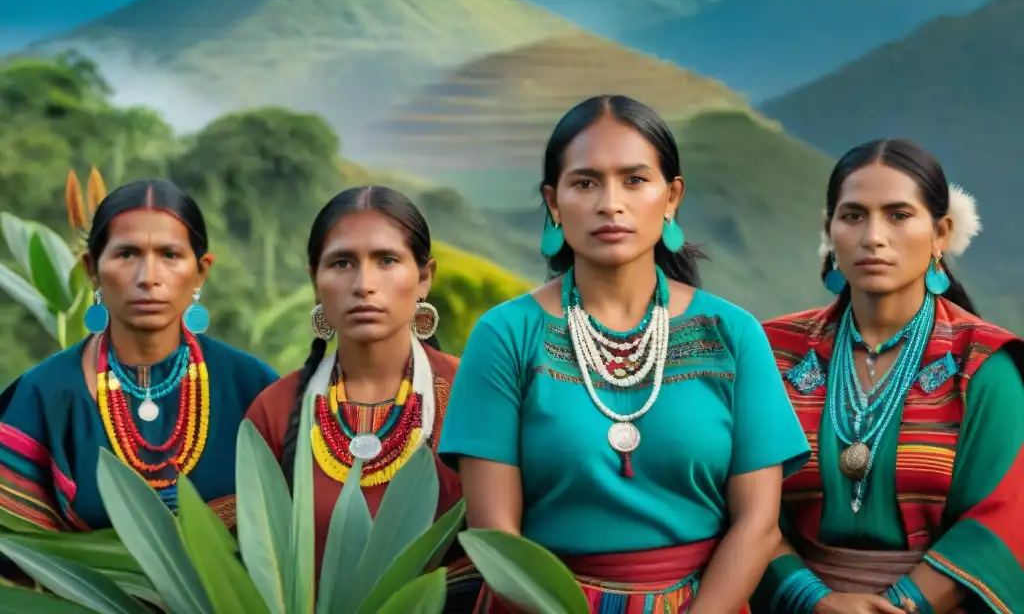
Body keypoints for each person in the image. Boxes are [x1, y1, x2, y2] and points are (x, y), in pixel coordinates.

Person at [439, 95, 811, 613]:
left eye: (635, 180)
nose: (609, 203)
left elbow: (757, 523)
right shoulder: (505, 335)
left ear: (672, 196)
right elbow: (496, 533)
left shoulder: (732, 334)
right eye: (585, 182)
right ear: (553, 201)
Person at [754, 138, 1024, 614]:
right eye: (853, 215)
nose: (873, 236)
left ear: (941, 233)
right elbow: (745, 507)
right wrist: (814, 601)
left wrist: (900, 606)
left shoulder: (983, 363)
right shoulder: (773, 352)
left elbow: (1001, 516)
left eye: (899, 215)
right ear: (829, 228)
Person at [0, 179, 279, 532]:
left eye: (170, 255)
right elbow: (16, 551)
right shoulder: (44, 395)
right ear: (92, 270)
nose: (149, 277)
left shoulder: (254, 388)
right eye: (126, 254)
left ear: (200, 271)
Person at [245, 186, 463, 582]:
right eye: (342, 263)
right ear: (315, 280)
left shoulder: (472, 395)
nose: (364, 284)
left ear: (424, 278)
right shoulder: (274, 410)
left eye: (386, 260)